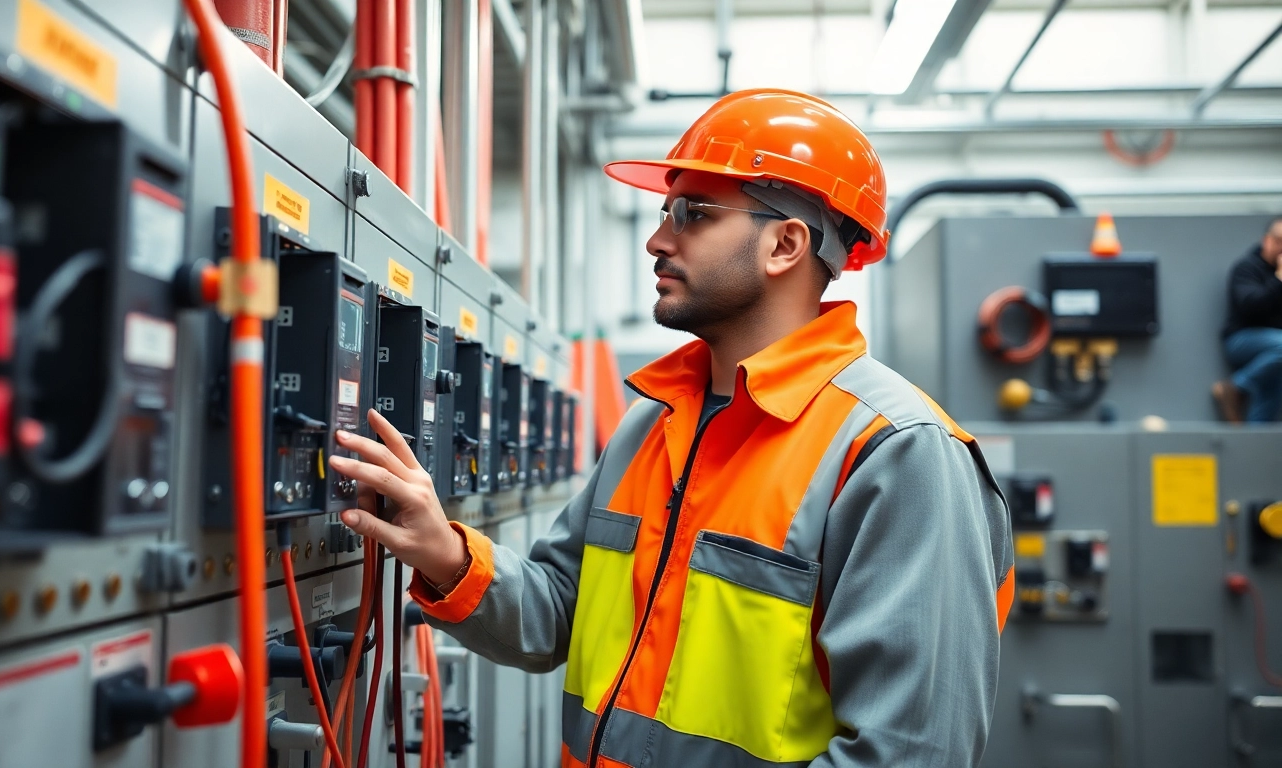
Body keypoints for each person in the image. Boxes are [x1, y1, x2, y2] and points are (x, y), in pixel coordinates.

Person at [329, 89, 1014, 767]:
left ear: (785, 244)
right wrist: (443, 551)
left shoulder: (896, 452)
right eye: (666, 212)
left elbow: (910, 752)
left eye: (694, 214)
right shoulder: (651, 424)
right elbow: (559, 610)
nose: (658, 240)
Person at [1214, 216, 1282, 423]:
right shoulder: (1246, 268)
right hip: (1242, 339)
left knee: (1272, 389)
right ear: (1266, 240)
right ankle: (1236, 387)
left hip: (1275, 347)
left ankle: (1255, 437)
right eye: (1279, 241)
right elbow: (1251, 307)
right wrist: (1279, 280)